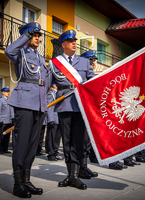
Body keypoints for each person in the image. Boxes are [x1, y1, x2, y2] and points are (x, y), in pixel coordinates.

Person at [5, 22, 48, 198]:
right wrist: (26, 36)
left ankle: (26, 180)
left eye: (38, 36)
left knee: (32, 145)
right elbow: (9, 51)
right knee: (21, 144)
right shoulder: (20, 53)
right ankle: (18, 184)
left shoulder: (40, 58)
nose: (37, 38)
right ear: (27, 36)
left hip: (39, 104)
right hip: (24, 103)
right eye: (34, 35)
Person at [48, 30, 95, 190]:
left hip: (81, 106)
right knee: (67, 142)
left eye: (75, 40)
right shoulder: (54, 63)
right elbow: (47, 85)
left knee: (79, 141)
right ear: (63, 44)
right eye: (70, 41)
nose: (74, 43)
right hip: (64, 106)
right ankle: (71, 176)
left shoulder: (84, 62)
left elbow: (92, 82)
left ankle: (76, 174)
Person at [79, 50, 101, 174]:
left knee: (87, 141)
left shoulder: (91, 74)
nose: (93, 63)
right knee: (83, 140)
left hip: (90, 111)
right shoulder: (81, 73)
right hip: (82, 110)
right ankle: (81, 168)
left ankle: (84, 166)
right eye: (91, 60)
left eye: (93, 61)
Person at [45, 84, 63, 161]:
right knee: (51, 138)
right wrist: (50, 119)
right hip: (53, 119)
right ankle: (51, 154)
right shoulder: (51, 94)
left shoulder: (60, 92)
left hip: (59, 119)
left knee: (57, 138)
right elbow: (49, 107)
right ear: (54, 85)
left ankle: (55, 153)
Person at [0, 86, 14, 154]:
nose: (8, 93)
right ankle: (0, 149)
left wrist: (12, 118)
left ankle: (5, 148)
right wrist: (0, 120)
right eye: (6, 92)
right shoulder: (0, 100)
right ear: (3, 93)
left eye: (8, 91)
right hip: (3, 121)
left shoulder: (9, 100)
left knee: (7, 136)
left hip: (9, 121)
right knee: (1, 135)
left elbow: (11, 110)